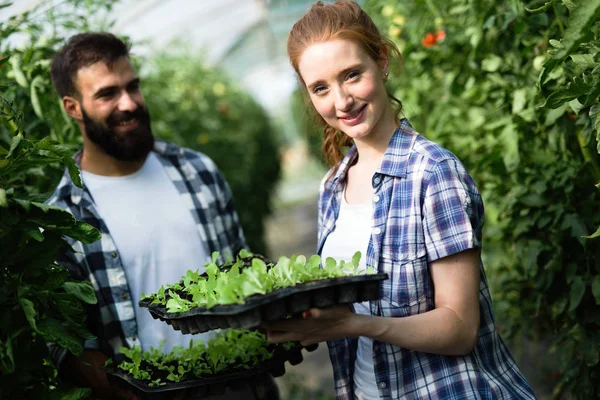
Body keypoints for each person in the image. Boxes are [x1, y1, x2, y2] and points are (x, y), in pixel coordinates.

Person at [263, 2, 537, 399]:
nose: (341, 102)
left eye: (352, 75)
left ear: (382, 60)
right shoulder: (332, 188)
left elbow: (459, 329)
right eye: (320, 88)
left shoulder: (433, 172)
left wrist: (353, 324)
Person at [47, 33, 276, 400]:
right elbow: (67, 341)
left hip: (241, 384)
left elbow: (243, 269)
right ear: (73, 108)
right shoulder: (65, 216)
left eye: (132, 86)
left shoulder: (197, 170)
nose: (128, 103)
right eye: (107, 94)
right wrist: (115, 386)